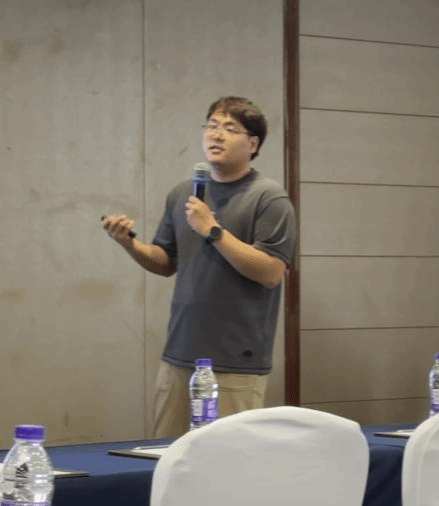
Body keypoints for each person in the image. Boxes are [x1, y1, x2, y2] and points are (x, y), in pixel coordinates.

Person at [102, 96, 297, 437]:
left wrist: (213, 230)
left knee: (229, 457)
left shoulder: (269, 198)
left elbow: (271, 272)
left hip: (235, 362)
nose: (216, 135)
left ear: (253, 144)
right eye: (212, 126)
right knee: (168, 454)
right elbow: (166, 261)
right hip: (179, 355)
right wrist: (128, 243)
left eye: (230, 129)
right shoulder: (183, 195)